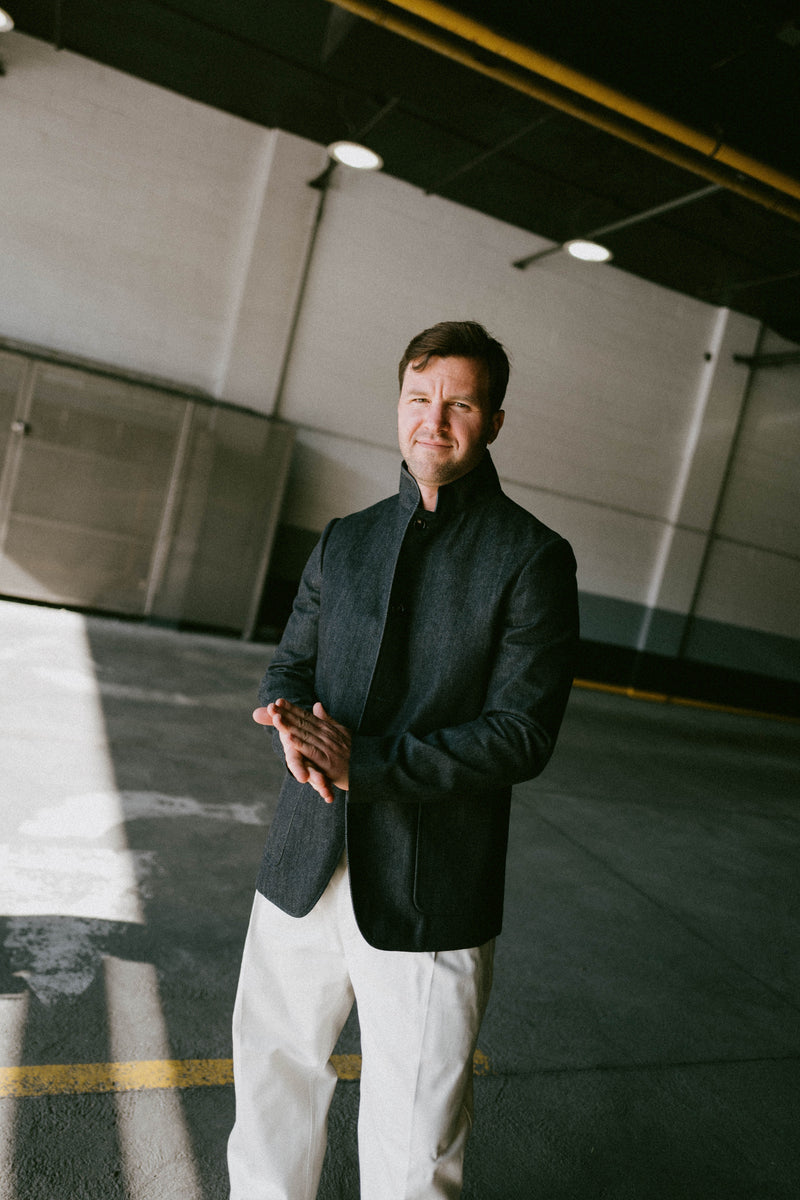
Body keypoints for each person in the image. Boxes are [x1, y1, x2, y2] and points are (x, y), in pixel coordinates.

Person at [228, 320, 579, 1199]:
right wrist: (289, 724)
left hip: (432, 887)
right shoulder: (345, 539)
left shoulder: (533, 559)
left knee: (416, 1137)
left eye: (460, 404)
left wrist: (369, 765)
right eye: (420, 398)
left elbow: (522, 733)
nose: (435, 419)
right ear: (398, 405)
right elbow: (289, 667)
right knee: (272, 1080)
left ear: (494, 421)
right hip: (305, 858)